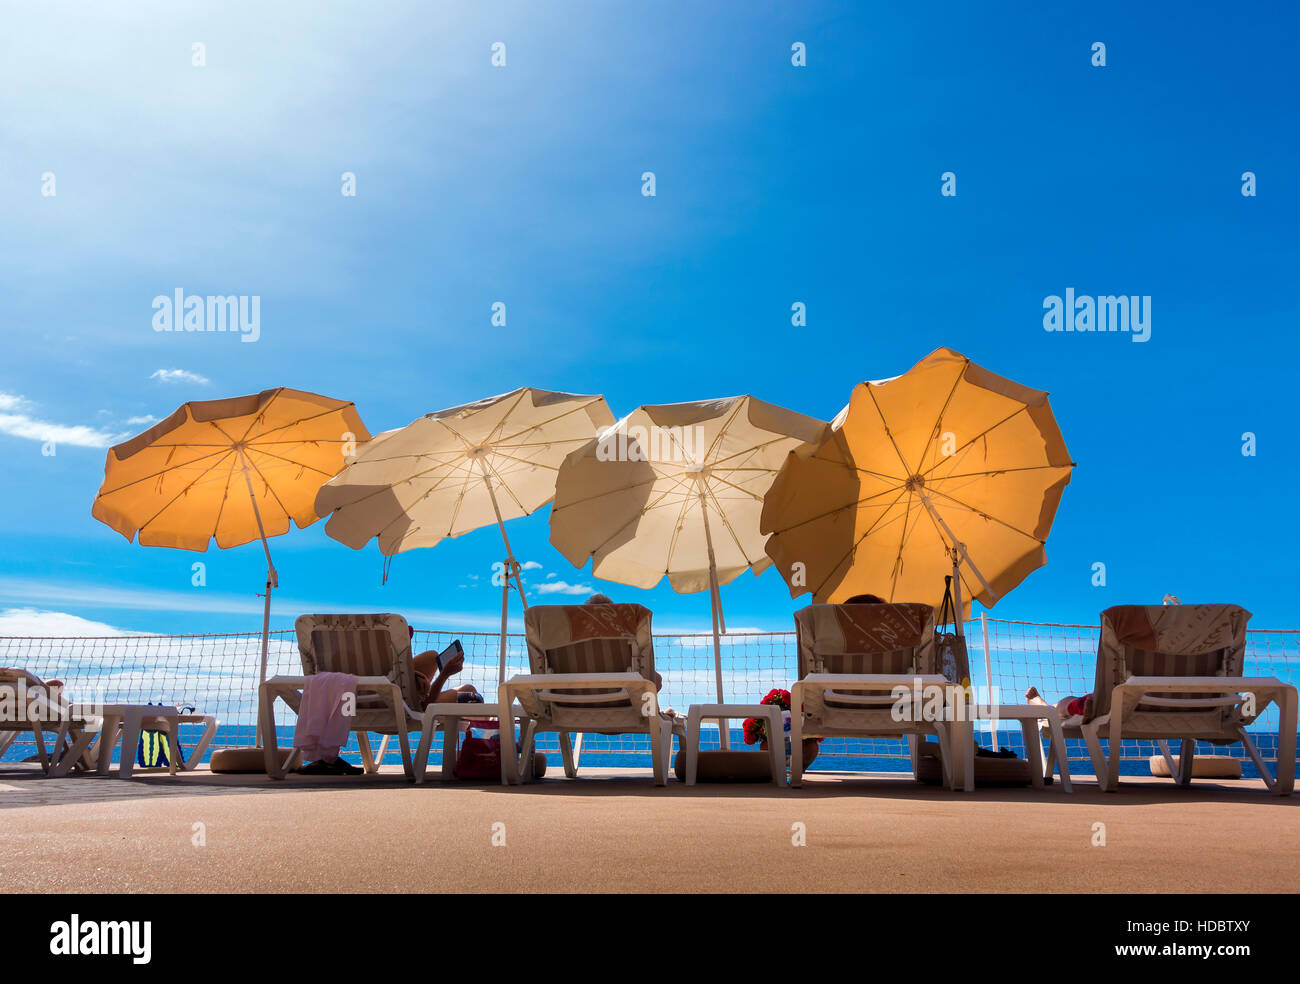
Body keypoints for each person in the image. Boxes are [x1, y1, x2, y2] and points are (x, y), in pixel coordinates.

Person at [409, 627, 481, 706]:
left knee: (432, 656)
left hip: (416, 697)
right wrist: (444, 674)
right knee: (472, 696)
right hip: (419, 706)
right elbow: (427, 705)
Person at [1024, 686, 1092, 720]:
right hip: (1100, 705)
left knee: (1072, 702)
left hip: (1091, 705)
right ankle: (1049, 709)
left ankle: (1048, 709)